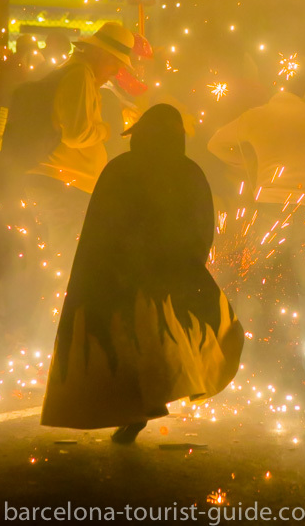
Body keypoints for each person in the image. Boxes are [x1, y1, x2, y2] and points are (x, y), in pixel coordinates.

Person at [41, 104, 244, 440]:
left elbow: (98, 229)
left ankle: (137, 408)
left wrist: (98, 273)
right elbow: (202, 228)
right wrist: (190, 263)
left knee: (127, 344)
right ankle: (146, 404)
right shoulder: (190, 172)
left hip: (119, 275)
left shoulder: (119, 169)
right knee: (166, 340)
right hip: (172, 273)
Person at [207, 77, 305, 385]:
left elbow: (215, 144)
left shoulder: (255, 116)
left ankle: (241, 364)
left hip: (269, 209)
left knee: (252, 284)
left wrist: (248, 162)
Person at [25, 21, 135, 274]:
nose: (116, 71)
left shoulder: (77, 73)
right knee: (66, 267)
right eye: (114, 63)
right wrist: (108, 129)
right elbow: (77, 135)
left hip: (62, 185)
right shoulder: (80, 74)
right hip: (63, 185)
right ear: (99, 54)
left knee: (62, 264)